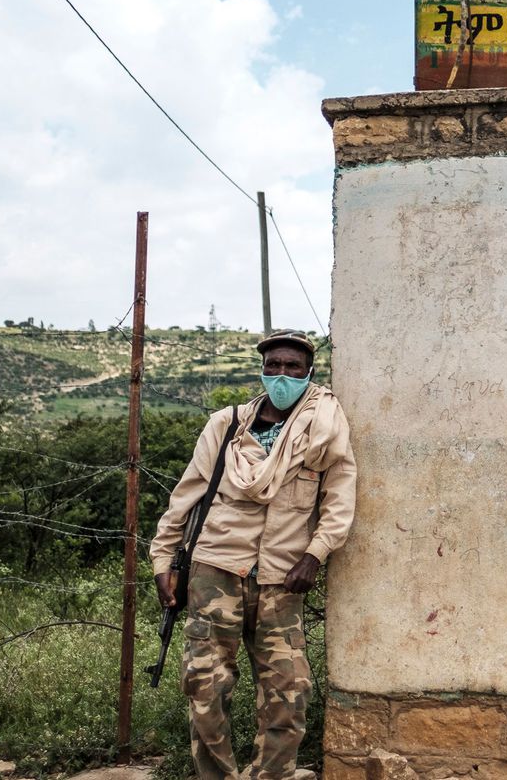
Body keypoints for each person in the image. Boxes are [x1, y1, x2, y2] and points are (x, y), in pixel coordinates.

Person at [152, 329, 357, 780]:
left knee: (289, 690)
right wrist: (162, 560)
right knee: (206, 684)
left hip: (282, 577)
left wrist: (316, 554)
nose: (282, 374)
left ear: (309, 373)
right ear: (262, 369)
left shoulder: (324, 429)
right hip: (215, 569)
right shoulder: (225, 426)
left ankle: (272, 775)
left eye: (293, 367)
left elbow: (340, 501)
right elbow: (185, 498)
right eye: (274, 365)